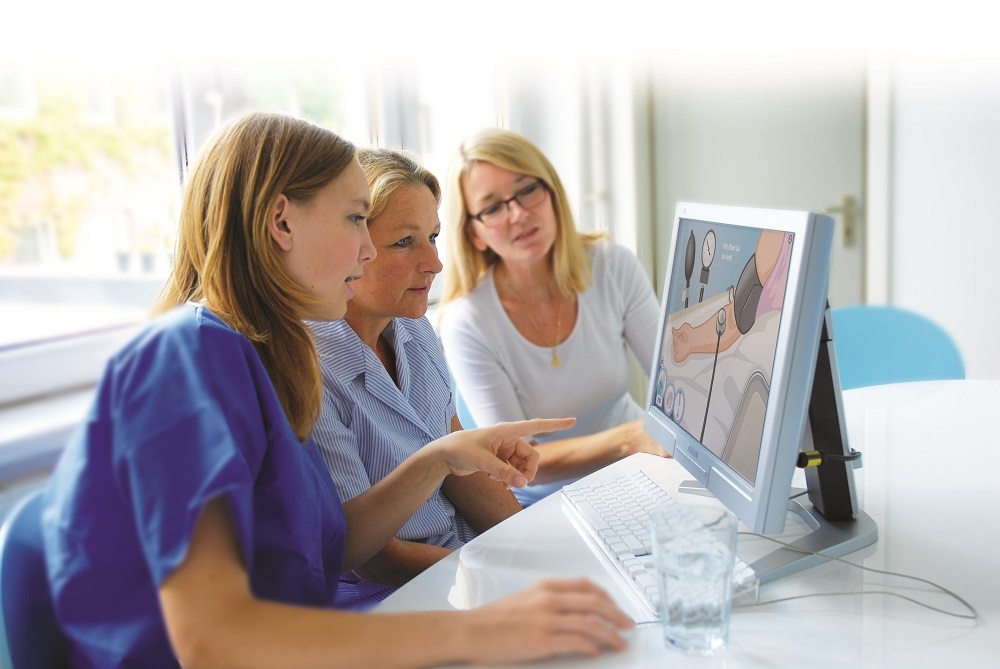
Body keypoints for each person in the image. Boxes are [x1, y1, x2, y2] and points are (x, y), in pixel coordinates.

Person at [40, 112, 633, 668]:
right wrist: (481, 623)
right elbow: (211, 641)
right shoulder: (183, 362)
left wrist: (438, 457)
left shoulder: (260, 354)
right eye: (355, 219)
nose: (369, 248)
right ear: (281, 222)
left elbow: (335, 550)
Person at [308, 147, 521, 606]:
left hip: (463, 557)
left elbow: (459, 463)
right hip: (390, 592)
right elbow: (370, 558)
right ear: (351, 247)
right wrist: (495, 576)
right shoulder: (310, 367)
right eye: (405, 242)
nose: (435, 262)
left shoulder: (413, 326)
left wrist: (532, 543)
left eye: (433, 237)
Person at [438, 128, 670, 507]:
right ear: (475, 234)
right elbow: (518, 460)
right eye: (493, 207)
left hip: (643, 467)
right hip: (548, 500)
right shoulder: (468, 321)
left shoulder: (612, 265)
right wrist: (629, 439)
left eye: (527, 189)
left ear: (551, 192)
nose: (518, 214)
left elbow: (672, 378)